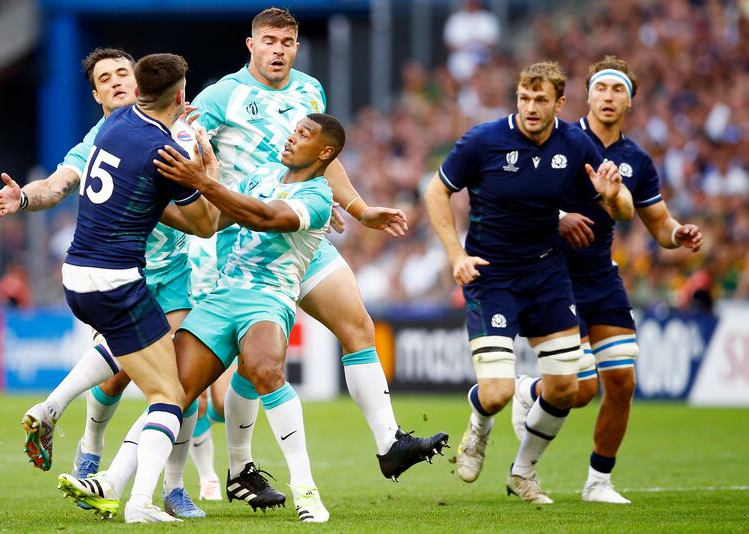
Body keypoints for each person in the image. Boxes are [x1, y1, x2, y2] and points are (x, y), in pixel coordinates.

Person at [188, 6, 448, 499]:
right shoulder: (221, 96)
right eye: (269, 41)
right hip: (247, 242)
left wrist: (358, 207)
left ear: (296, 47)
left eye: (286, 42)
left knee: (358, 326)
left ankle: (389, 443)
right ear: (251, 45)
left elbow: (327, 160)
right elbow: (185, 147)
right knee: (255, 365)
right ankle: (239, 468)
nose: (278, 50)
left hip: (300, 235)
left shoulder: (310, 90)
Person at [58, 113, 346, 523]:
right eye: (294, 129)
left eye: (304, 134)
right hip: (221, 296)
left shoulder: (318, 196)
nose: (291, 137)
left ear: (325, 152)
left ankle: (306, 491)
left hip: (269, 297)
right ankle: (111, 482)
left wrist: (205, 182)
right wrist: (151, 195)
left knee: (265, 369)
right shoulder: (263, 175)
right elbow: (211, 220)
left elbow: (265, 217)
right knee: (171, 392)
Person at [0, 48, 214, 519]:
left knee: (174, 379)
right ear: (96, 95)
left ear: (140, 83)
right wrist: (26, 197)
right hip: (122, 274)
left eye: (122, 73)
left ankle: (169, 486)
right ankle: (108, 467)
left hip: (161, 270)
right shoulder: (115, 139)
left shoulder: (146, 129)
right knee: (155, 387)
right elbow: (58, 184)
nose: (116, 81)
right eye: (105, 78)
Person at [424, 61, 634, 504]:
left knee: (566, 388)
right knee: (498, 393)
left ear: (560, 103)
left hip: (547, 275)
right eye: (524, 98)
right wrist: (456, 254)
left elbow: (624, 209)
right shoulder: (484, 140)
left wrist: (613, 195)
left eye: (541, 99)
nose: (531, 107)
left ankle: (523, 472)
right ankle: (479, 424)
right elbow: (436, 191)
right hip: (491, 275)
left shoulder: (575, 143)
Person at [510, 56, 703, 504]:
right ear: (587, 95)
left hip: (601, 276)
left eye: (618, 90)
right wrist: (558, 217)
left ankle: (599, 481)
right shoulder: (558, 139)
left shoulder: (636, 160)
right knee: (580, 390)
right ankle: (529, 390)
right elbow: (518, 199)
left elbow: (659, 224)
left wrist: (678, 233)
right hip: (554, 275)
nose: (609, 97)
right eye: (601, 88)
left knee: (621, 382)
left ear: (629, 102)